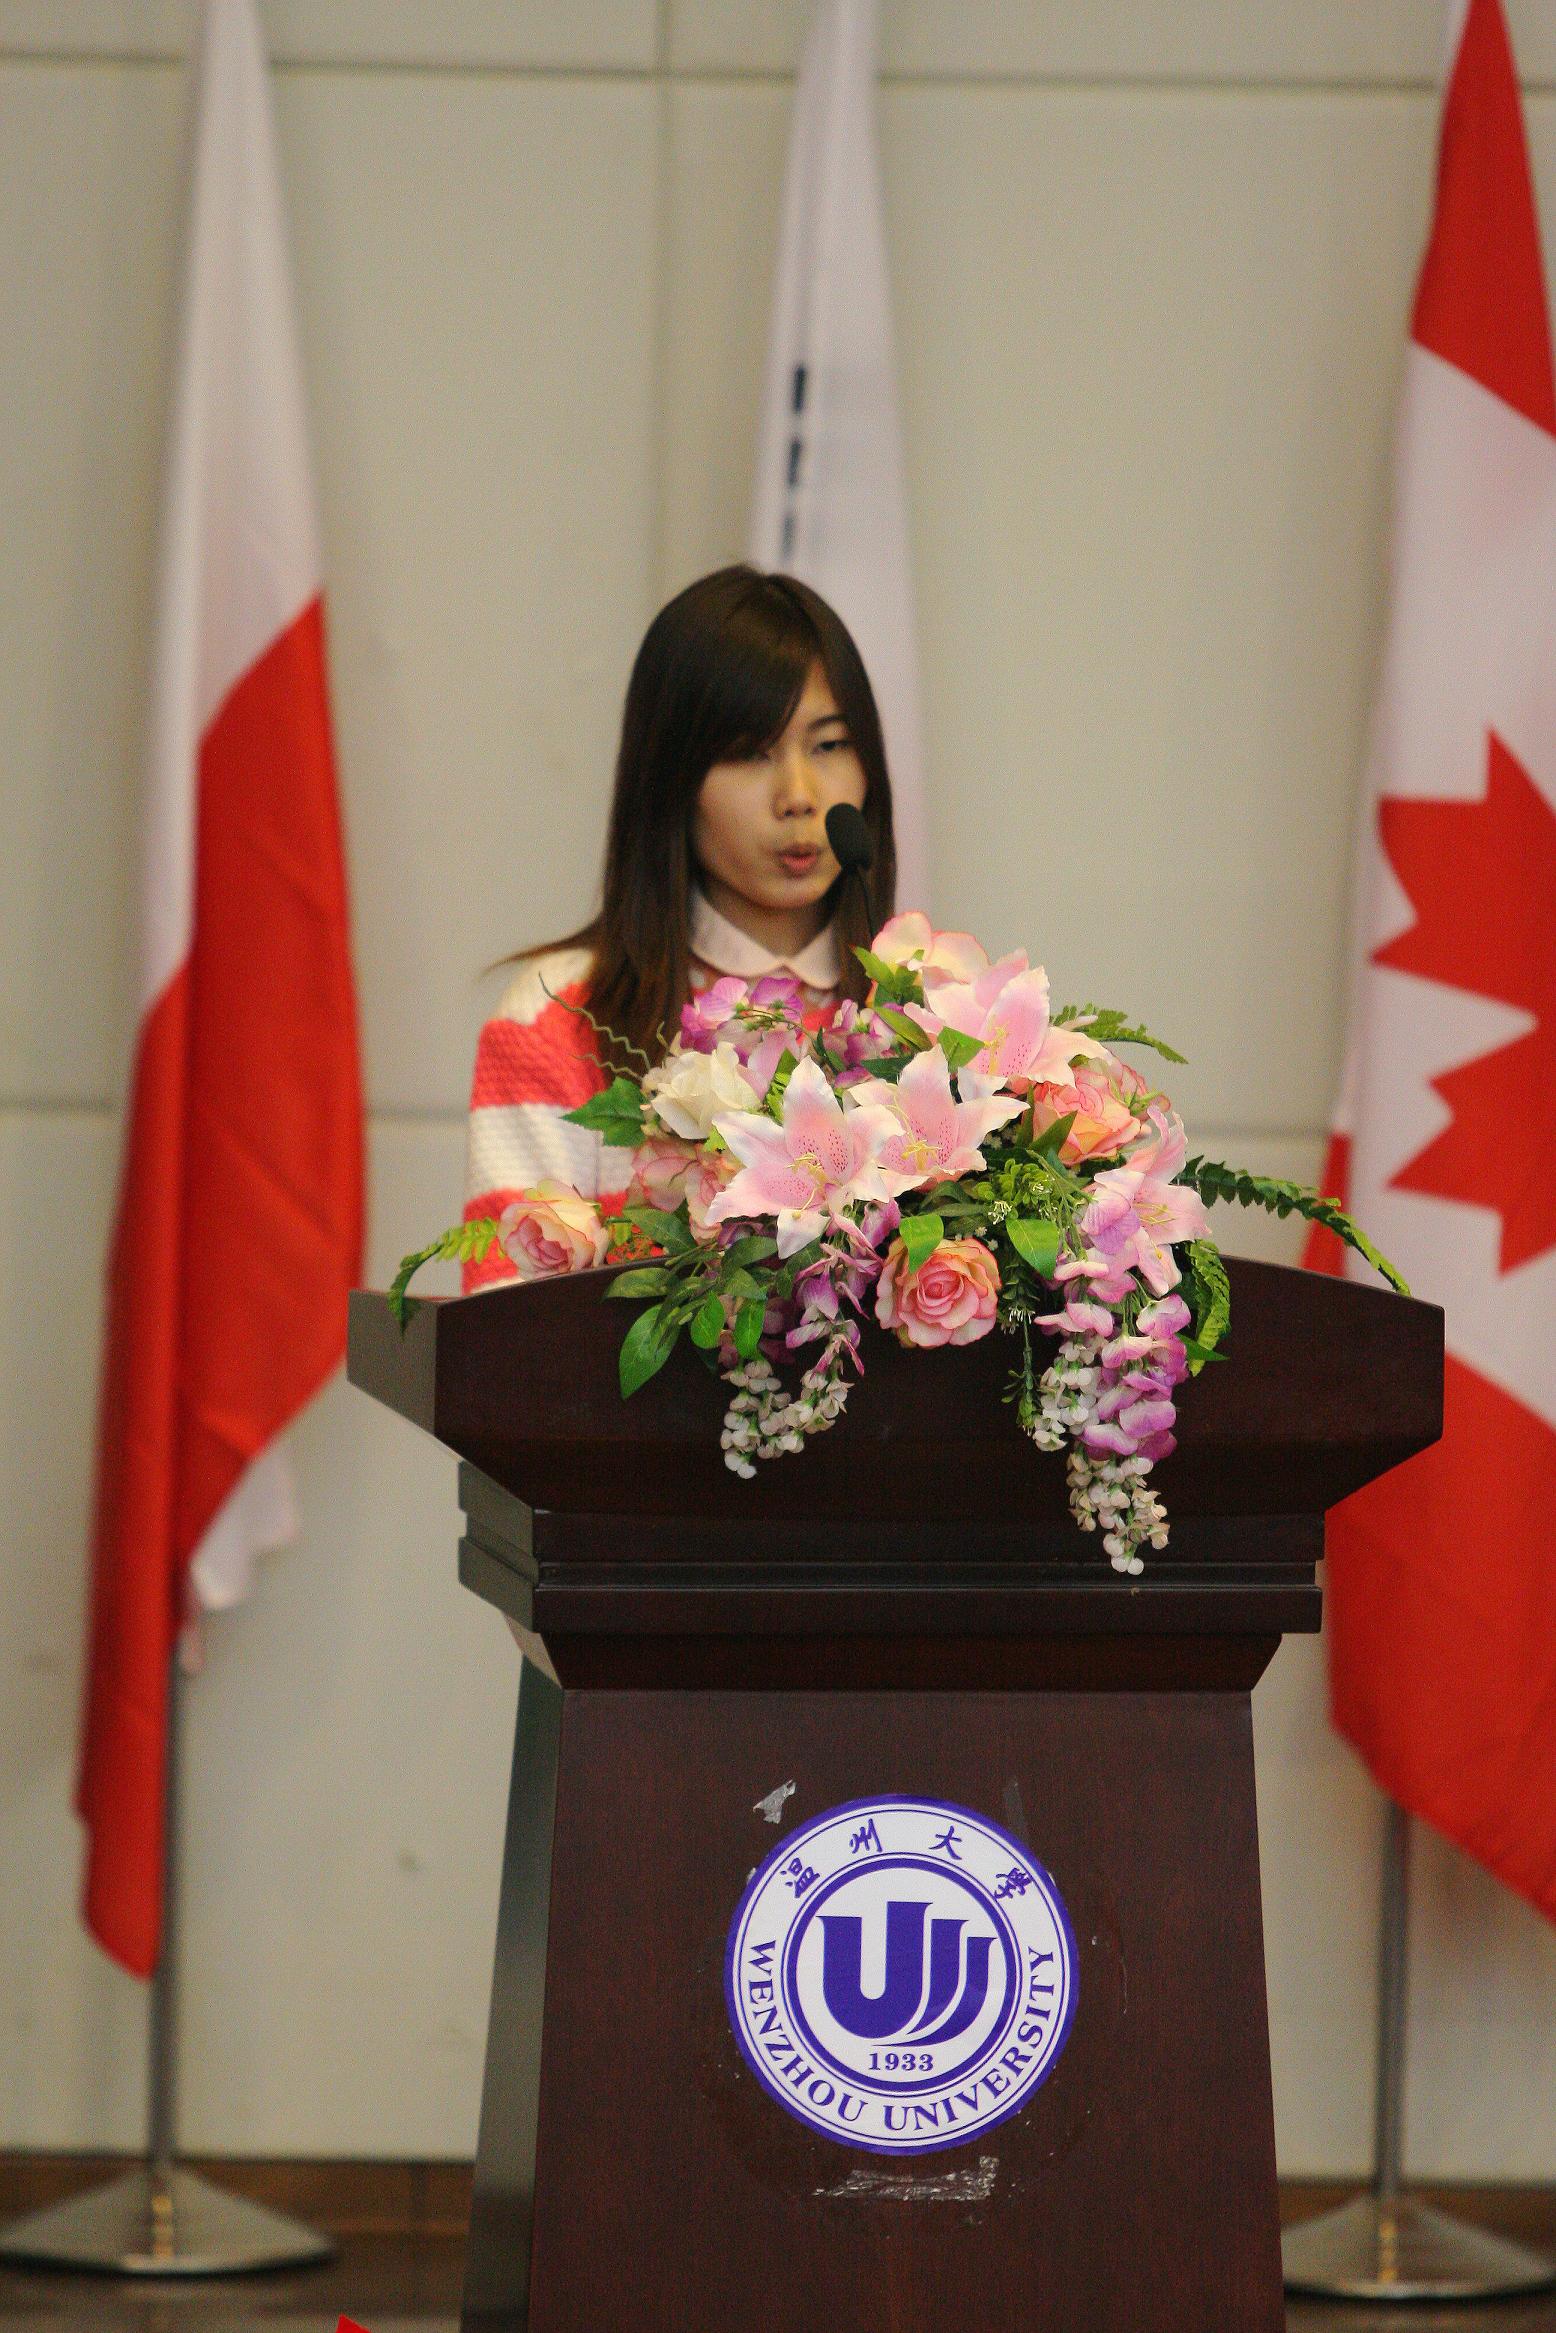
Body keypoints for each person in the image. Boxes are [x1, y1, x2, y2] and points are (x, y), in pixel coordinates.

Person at [461, 564, 899, 1289]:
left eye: (829, 745)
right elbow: (508, 1335)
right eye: (750, 753)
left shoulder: (925, 1012)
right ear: (670, 782)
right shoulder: (556, 1016)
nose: (799, 795)